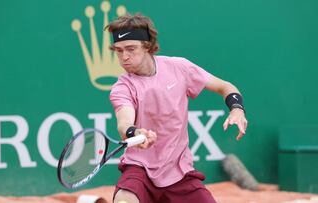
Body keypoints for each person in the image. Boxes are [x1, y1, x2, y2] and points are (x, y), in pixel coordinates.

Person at [105, 13, 248, 203]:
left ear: (147, 46)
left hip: (179, 171)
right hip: (139, 169)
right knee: (124, 200)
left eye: (131, 49)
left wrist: (237, 109)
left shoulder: (179, 68)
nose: (124, 57)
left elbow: (226, 87)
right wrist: (134, 132)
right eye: (119, 50)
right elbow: (124, 123)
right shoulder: (122, 87)